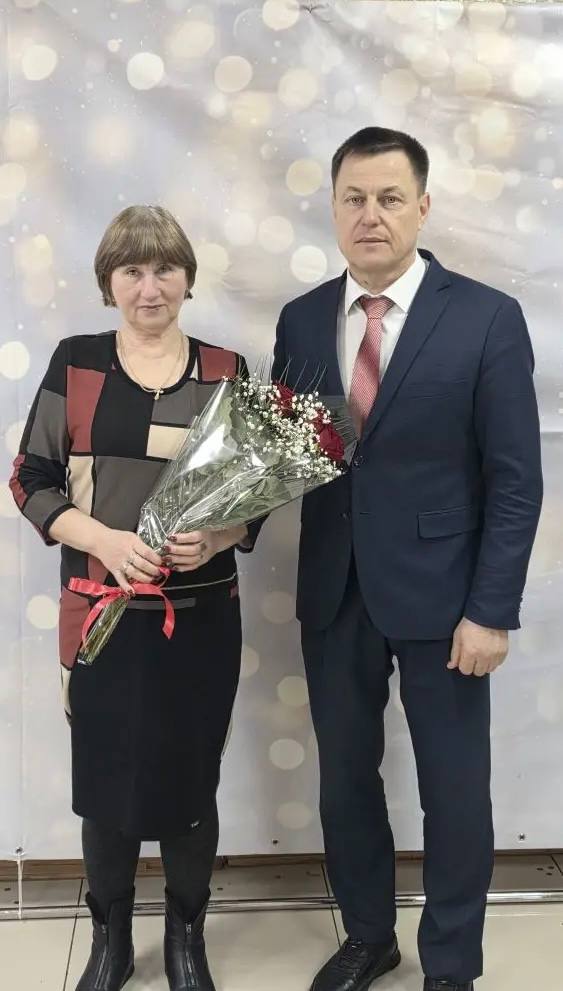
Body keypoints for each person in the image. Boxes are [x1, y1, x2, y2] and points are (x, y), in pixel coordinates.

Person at [271, 128, 543, 991]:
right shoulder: (301, 318)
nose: (370, 215)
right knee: (345, 781)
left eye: (389, 198)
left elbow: (514, 480)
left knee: (453, 790)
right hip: (333, 592)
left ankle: (450, 965)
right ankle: (367, 934)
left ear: (422, 208)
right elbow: (282, 459)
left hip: (446, 600)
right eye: (353, 198)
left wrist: (490, 609)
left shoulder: (486, 317)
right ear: (332, 207)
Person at [10, 205, 259, 991]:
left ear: (186, 277)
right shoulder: (77, 363)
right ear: (108, 282)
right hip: (99, 619)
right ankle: (110, 939)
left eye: (164, 269)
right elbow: (30, 479)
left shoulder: (225, 370)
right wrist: (107, 541)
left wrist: (216, 537)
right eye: (132, 271)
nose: (150, 288)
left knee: (191, 783)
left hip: (201, 619)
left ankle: (186, 936)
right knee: (106, 786)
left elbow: (253, 499)